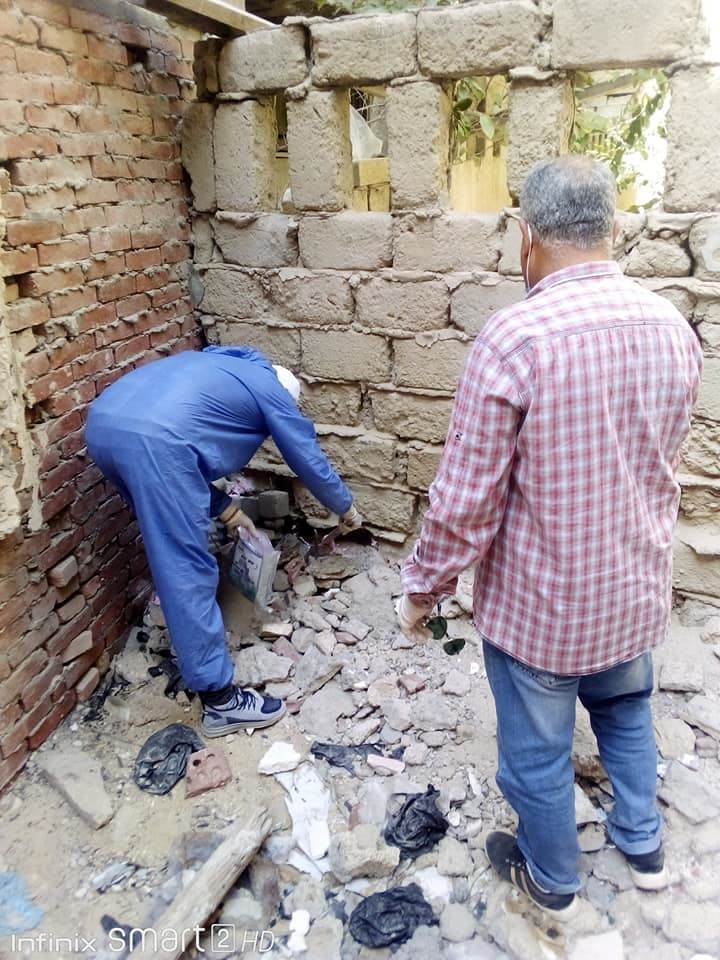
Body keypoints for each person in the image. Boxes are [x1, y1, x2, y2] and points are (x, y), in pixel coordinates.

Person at [396, 156, 702, 920]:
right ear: (614, 230)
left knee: (537, 752)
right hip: (631, 593)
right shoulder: (672, 326)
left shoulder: (516, 338)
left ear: (526, 235)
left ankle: (554, 879)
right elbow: (663, 459)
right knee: (626, 713)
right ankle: (644, 846)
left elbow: (466, 502)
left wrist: (424, 589)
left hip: (544, 611)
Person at [86, 345, 361, 736]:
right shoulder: (270, 390)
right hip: (155, 442)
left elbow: (184, 451)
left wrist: (227, 511)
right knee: (186, 563)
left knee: (170, 534)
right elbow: (307, 459)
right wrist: (346, 507)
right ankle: (221, 702)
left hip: (104, 427)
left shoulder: (225, 365)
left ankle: (186, 632)